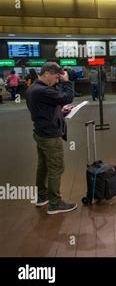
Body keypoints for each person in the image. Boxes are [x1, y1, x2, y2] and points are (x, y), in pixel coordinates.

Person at [26, 62, 77, 214]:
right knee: (56, 167)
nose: (56, 81)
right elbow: (68, 97)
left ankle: (42, 197)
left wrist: (60, 112)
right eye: (56, 78)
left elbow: (45, 109)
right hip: (50, 136)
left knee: (43, 166)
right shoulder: (42, 90)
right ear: (47, 73)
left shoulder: (33, 88)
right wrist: (67, 81)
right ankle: (55, 203)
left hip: (40, 133)